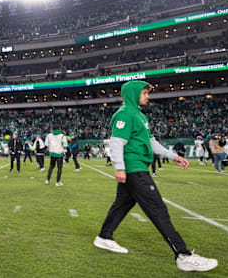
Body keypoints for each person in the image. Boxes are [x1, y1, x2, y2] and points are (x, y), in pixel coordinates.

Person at [93, 81, 218, 272]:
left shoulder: (140, 116)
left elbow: (150, 142)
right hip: (134, 167)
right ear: (134, 94)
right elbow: (117, 142)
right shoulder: (125, 114)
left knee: (122, 203)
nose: (147, 96)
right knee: (158, 208)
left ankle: (104, 237)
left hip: (137, 165)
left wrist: (173, 155)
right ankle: (183, 255)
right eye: (144, 93)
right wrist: (119, 167)